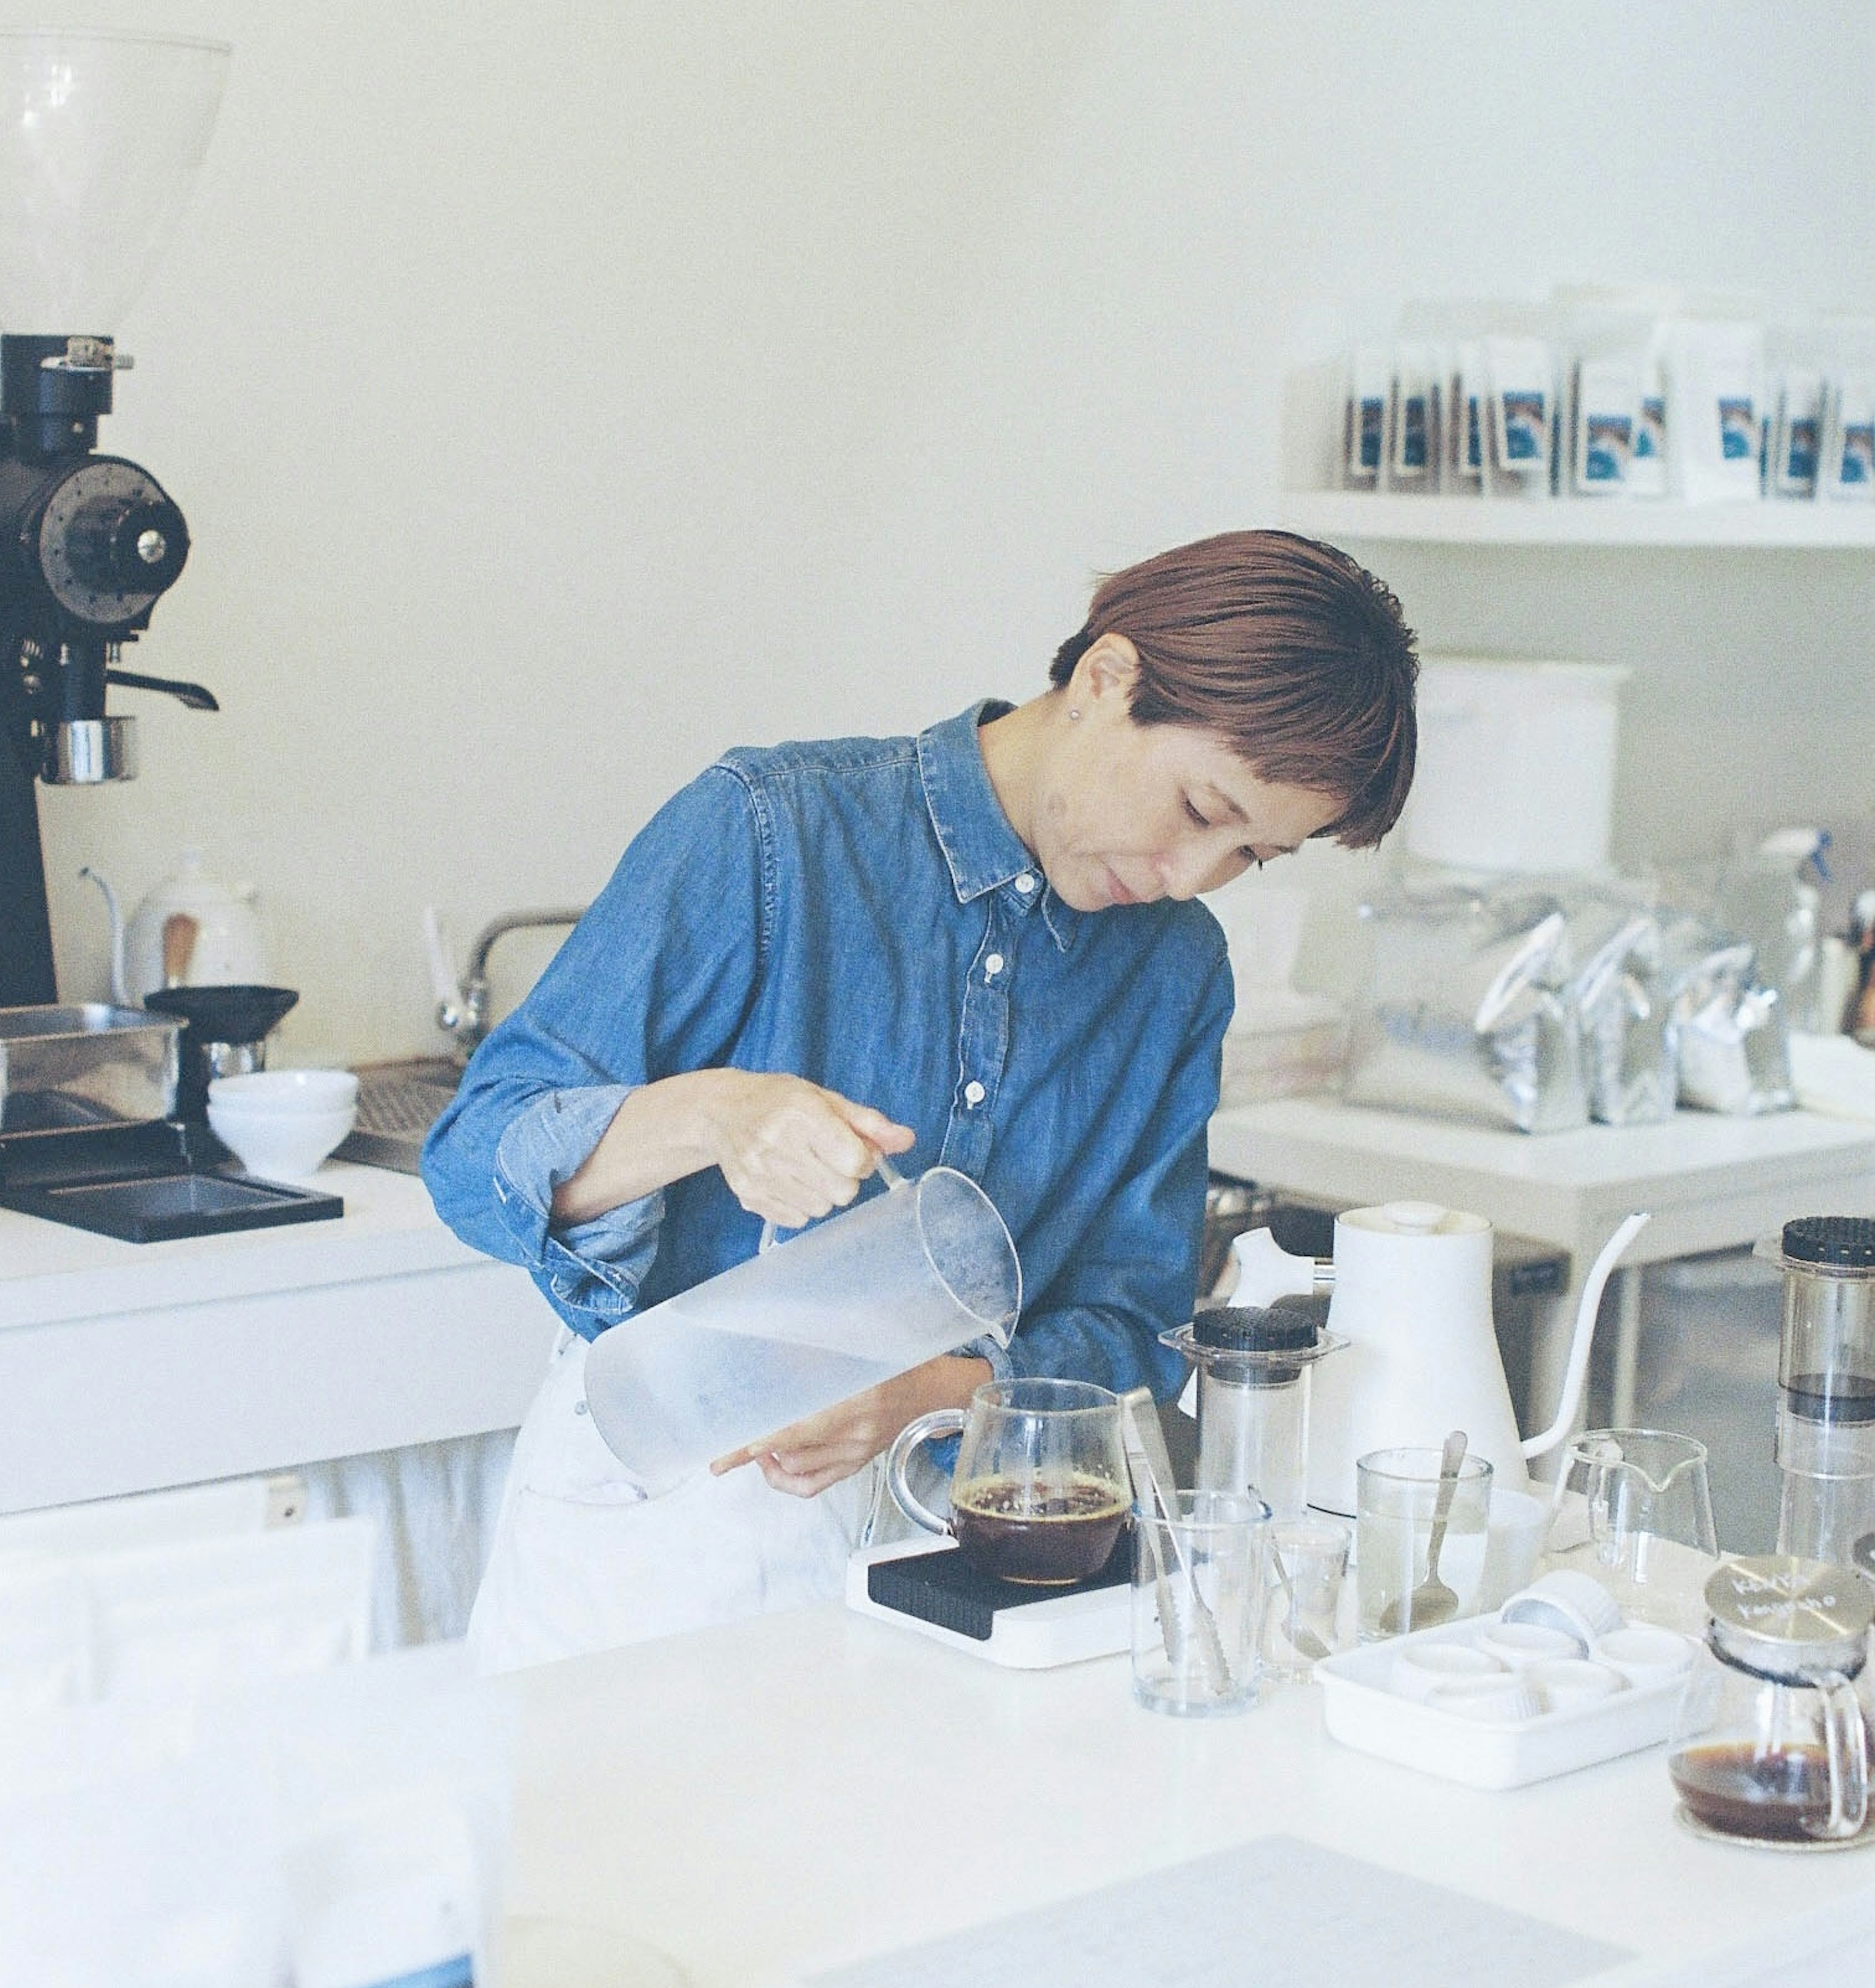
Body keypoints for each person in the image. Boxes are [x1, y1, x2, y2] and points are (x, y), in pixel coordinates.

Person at [422, 528, 1417, 1669]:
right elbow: (473, 1157)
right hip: (660, 1525)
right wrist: (715, 1115)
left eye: (1256, 856)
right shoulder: (772, 829)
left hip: (959, 1545)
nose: (1193, 880)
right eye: (1200, 810)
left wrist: (926, 1396)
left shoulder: (1175, 971)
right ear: (1106, 679)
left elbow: (1135, 1325)